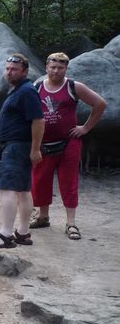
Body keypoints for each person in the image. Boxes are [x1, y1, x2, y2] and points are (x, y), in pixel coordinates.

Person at [30, 52, 107, 240]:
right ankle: (43, 216)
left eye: (60, 67)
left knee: (69, 182)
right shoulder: (37, 87)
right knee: (40, 180)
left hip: (69, 143)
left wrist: (85, 128)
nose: (56, 71)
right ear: (46, 67)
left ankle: (71, 223)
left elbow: (100, 104)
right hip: (43, 143)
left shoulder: (73, 86)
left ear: (66, 68)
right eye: (52, 67)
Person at [0, 53, 44, 249]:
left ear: (25, 71)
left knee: (7, 189)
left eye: (14, 69)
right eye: (7, 69)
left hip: (17, 146)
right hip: (17, 146)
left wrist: (35, 149)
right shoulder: (19, 89)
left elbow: (39, 121)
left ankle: (5, 234)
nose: (9, 72)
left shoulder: (27, 91)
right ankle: (23, 233)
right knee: (23, 190)